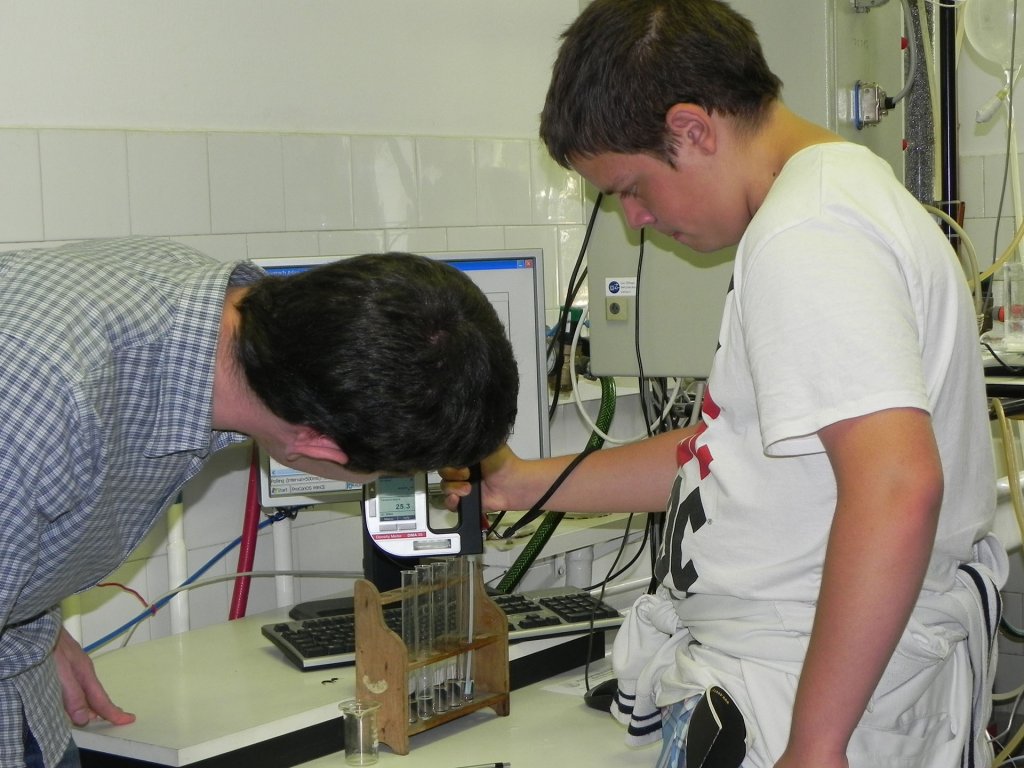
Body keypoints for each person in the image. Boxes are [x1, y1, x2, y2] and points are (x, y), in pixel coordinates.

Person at [443, 1, 1005, 766]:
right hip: (790, 680)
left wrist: (815, 745)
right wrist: (520, 484)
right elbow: (725, 456)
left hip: (796, 696)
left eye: (632, 187)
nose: (634, 221)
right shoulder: (830, 201)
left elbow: (898, 487)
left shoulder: (807, 232)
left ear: (693, 130)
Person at [0, 236, 519, 767]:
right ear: (319, 445)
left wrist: (26, 605)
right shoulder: (38, 400)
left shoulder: (208, 315)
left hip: (27, 687)